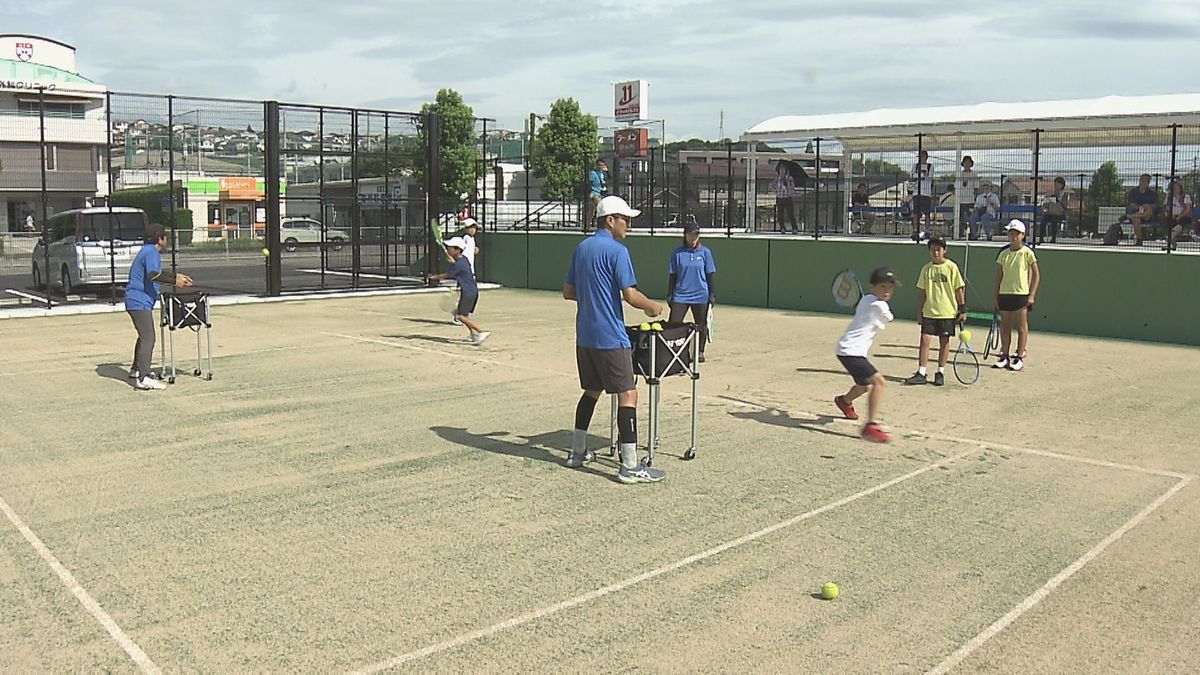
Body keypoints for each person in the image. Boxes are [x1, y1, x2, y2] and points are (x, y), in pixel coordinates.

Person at [563, 195, 664, 483]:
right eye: (625, 219)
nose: (628, 225)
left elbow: (568, 292)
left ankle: (577, 453)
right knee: (628, 394)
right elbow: (632, 296)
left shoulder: (580, 248)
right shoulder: (618, 251)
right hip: (610, 337)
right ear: (610, 220)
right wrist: (653, 307)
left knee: (592, 390)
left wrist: (594, 296)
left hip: (585, 336)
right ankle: (630, 467)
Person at [833, 267, 900, 443]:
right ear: (873, 287)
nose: (887, 291)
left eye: (890, 287)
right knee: (879, 382)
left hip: (847, 350)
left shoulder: (866, 299)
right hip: (851, 352)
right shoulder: (880, 305)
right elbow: (890, 317)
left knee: (863, 386)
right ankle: (870, 426)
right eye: (883, 286)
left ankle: (844, 401)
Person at [125, 224, 194, 391]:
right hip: (138, 301)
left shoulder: (147, 251)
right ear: (160, 239)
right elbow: (153, 275)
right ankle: (143, 378)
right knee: (149, 338)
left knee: (144, 336)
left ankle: (136, 370)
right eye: (165, 236)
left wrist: (176, 276)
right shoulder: (151, 252)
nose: (167, 239)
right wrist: (174, 281)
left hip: (137, 300)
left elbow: (155, 273)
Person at [905, 238, 965, 387]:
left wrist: (962, 308)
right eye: (933, 250)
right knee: (925, 340)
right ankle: (921, 372)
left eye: (938, 249)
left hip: (947, 313)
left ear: (945, 250)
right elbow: (922, 293)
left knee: (944, 343)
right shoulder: (926, 269)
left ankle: (940, 372)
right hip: (929, 312)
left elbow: (958, 289)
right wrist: (919, 312)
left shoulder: (952, 267)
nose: (936, 252)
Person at [992, 220, 1040, 372]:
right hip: (1005, 294)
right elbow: (998, 277)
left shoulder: (1028, 253)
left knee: (1021, 326)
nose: (1013, 236)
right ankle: (1004, 355)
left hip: (1021, 295)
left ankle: (1019, 357)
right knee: (1005, 326)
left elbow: (1037, 275)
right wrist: (995, 296)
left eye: (1016, 233)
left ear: (1022, 235)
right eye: (1011, 233)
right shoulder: (1003, 254)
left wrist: (1031, 295)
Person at [667, 221, 716, 362]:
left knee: (701, 325)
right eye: (691, 235)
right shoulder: (677, 253)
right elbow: (673, 275)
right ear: (685, 235)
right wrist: (670, 294)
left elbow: (709, 275)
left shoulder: (705, 252)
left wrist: (712, 294)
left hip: (701, 295)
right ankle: (673, 352)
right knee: (673, 325)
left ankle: (699, 352)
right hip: (681, 295)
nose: (694, 238)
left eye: (696, 235)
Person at [429, 237, 489, 345]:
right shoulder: (463, 259)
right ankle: (473, 334)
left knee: (460, 316)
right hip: (471, 291)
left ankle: (481, 332)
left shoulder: (459, 264)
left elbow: (448, 275)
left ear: (457, 250)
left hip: (468, 292)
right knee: (463, 315)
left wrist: (434, 277)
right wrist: (453, 262)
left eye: (450, 248)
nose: (448, 250)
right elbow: (457, 268)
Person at [1126, 173, 1159, 246]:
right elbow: (1131, 204)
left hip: (1148, 215)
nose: (1144, 183)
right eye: (1143, 180)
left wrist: (1146, 206)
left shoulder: (1152, 193)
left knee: (1148, 207)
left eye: (1147, 181)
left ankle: (1131, 216)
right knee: (1136, 219)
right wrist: (1141, 207)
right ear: (1140, 181)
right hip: (1137, 212)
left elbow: (1155, 205)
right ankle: (1139, 240)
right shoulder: (1133, 192)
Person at [910, 150, 934, 240]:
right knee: (916, 213)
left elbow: (929, 177)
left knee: (927, 213)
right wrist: (921, 175)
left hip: (926, 193)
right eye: (920, 156)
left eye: (924, 156)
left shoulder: (930, 166)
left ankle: (927, 230)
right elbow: (912, 176)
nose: (922, 158)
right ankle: (916, 230)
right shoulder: (915, 166)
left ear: (926, 157)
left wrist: (923, 175)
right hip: (916, 192)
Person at [1039, 176, 1068, 243]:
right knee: (1044, 219)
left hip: (1059, 214)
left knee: (1054, 220)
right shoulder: (1052, 193)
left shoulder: (1064, 194)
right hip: (1050, 212)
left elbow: (1064, 205)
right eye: (1054, 184)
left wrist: (1057, 200)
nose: (1055, 186)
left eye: (1057, 184)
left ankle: (1053, 238)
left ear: (1061, 185)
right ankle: (1041, 238)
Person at [773, 162, 798, 233]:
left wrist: (786, 184)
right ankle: (782, 228)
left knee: (790, 214)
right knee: (780, 214)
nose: (782, 172)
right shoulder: (777, 179)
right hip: (779, 198)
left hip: (787, 198)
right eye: (780, 170)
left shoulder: (789, 178)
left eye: (783, 170)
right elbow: (773, 186)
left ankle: (794, 228)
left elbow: (792, 188)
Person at [957, 156, 978, 237]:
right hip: (960, 201)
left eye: (969, 162)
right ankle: (959, 233)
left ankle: (972, 234)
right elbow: (956, 187)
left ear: (971, 164)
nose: (967, 164)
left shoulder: (974, 174)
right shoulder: (959, 174)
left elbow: (976, 188)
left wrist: (974, 198)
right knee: (960, 218)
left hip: (970, 201)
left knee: (971, 218)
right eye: (965, 162)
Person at [583, 159, 608, 227]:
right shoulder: (593, 173)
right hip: (595, 193)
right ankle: (600, 224)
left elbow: (609, 178)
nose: (601, 167)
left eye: (602, 165)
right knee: (602, 206)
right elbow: (590, 183)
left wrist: (607, 172)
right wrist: (590, 192)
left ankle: (587, 225)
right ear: (596, 165)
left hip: (601, 193)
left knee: (591, 210)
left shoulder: (603, 173)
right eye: (599, 165)